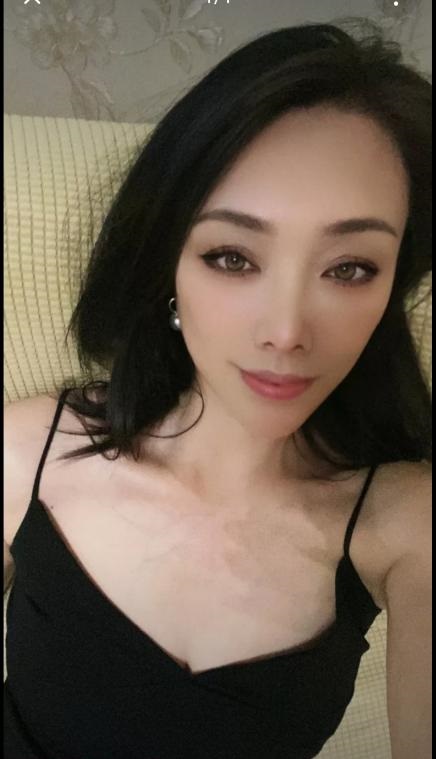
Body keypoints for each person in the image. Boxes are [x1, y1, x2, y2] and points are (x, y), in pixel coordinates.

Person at [4, 19, 431, 759]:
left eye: (350, 268)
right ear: (167, 264)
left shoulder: (405, 524)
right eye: (233, 257)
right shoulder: (24, 453)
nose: (287, 331)